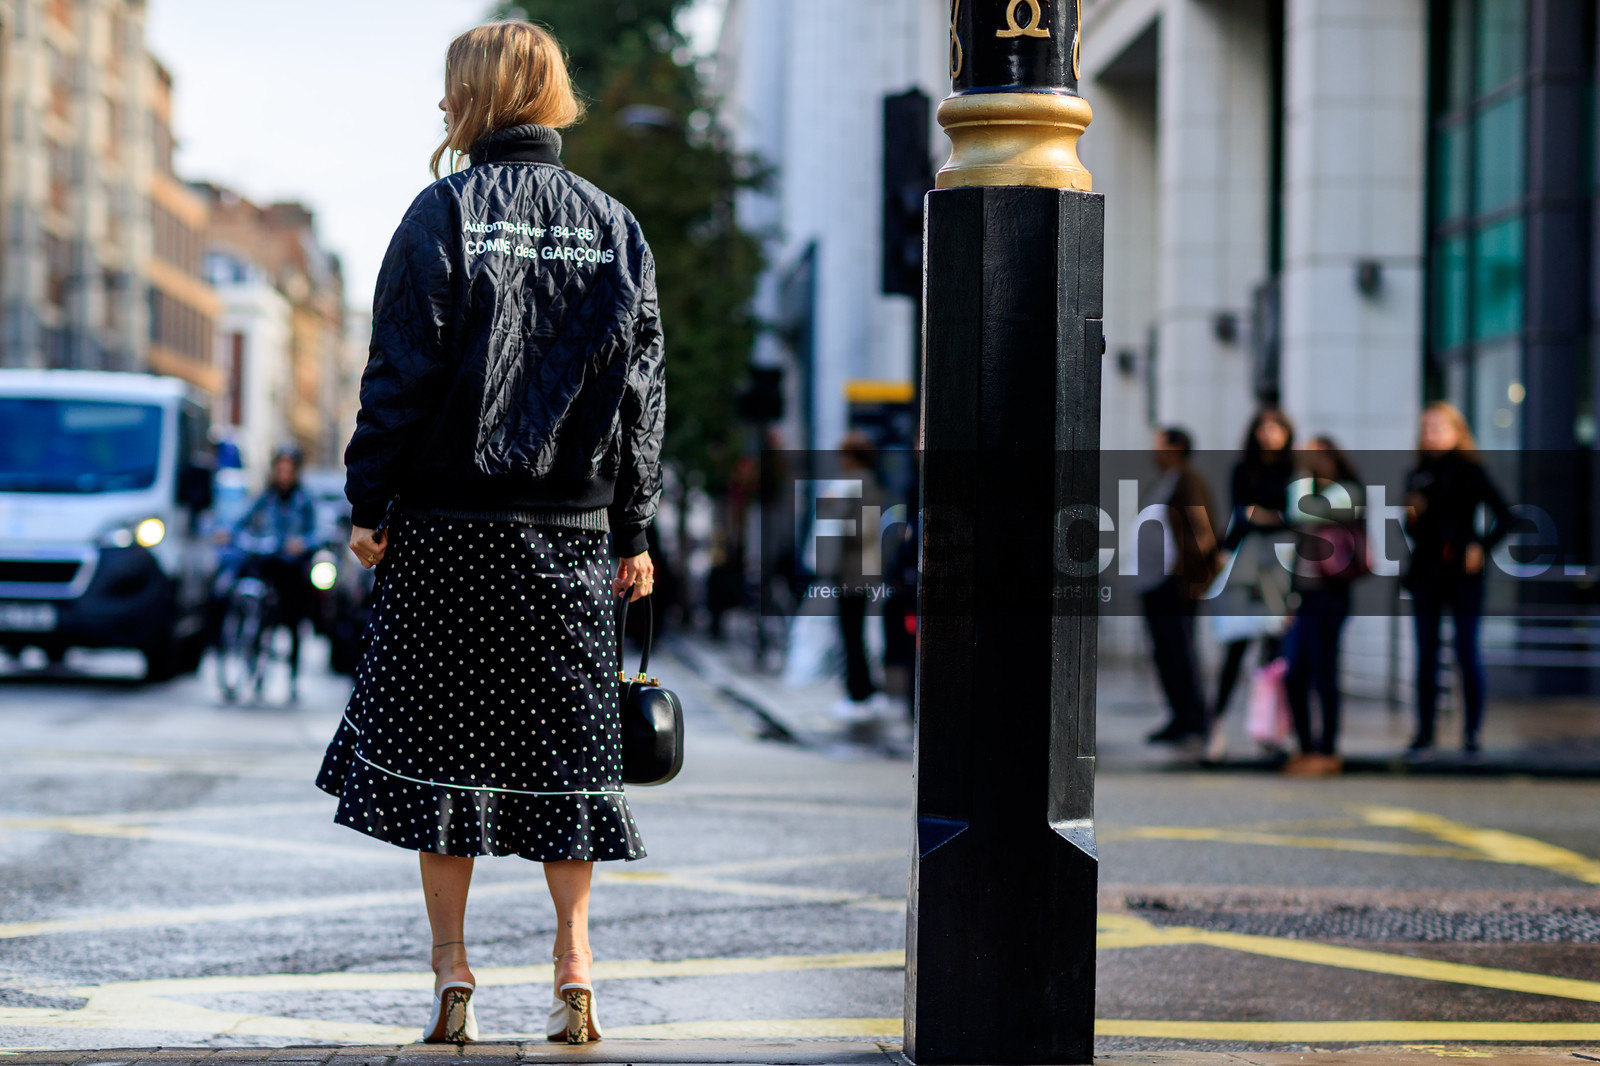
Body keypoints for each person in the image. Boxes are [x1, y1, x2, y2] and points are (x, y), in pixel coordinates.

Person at [315, 20, 665, 1047]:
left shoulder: (441, 216)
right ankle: (574, 966)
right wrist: (633, 527)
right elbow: (644, 393)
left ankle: (453, 973)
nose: (437, 107)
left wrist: (368, 504)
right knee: (568, 758)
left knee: (442, 759)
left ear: (470, 100)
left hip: (449, 535)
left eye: (447, 91)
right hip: (567, 538)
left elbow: (398, 377)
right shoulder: (613, 225)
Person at [1404, 402, 1512, 757]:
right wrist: (1413, 516)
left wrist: (1480, 547)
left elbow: (1506, 517)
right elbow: (1413, 529)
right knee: (1426, 655)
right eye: (1427, 427)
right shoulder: (1417, 473)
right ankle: (1424, 732)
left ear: (1456, 432)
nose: (1431, 433)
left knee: (1467, 651)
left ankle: (1472, 732)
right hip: (1427, 573)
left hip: (1463, 575)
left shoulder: (1470, 471)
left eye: (1439, 426)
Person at [1204, 408, 1295, 760]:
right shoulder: (1243, 469)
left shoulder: (1294, 471)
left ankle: (1269, 732)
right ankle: (1217, 730)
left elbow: (1296, 516)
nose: (1270, 434)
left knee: (1274, 653)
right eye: (1264, 427)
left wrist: (1265, 515)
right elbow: (1240, 515)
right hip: (1247, 563)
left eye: (1277, 428)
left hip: (1282, 564)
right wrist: (1225, 552)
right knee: (1236, 647)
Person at [1281, 437, 1365, 776]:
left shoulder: (1349, 492)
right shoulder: (1312, 489)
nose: (1306, 458)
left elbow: (1299, 511)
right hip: (1305, 594)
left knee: (1324, 669)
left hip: (1331, 594)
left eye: (1313, 453)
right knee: (1295, 672)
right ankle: (1305, 746)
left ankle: (1328, 749)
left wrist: (1301, 474)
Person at [1139, 427, 1221, 744]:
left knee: (1180, 650)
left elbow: (1202, 531)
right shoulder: (1163, 481)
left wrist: (1186, 570)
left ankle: (1193, 718)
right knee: (1164, 652)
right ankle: (1179, 716)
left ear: (1175, 447)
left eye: (1157, 444)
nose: (1152, 451)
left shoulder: (1188, 480)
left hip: (1175, 582)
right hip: (1153, 582)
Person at [217, 444, 317, 698]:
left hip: (290, 566)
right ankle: (249, 637)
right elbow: (243, 520)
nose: (283, 475)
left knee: (294, 619)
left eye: (288, 470)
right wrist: (227, 531)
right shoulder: (265, 497)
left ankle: (293, 679)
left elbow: (318, 531)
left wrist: (302, 543)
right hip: (266, 560)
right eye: (279, 469)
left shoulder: (305, 499)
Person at [821, 431, 892, 726]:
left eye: (844, 455)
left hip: (855, 572)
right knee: (852, 633)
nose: (841, 461)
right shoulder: (859, 484)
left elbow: (862, 530)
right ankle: (860, 691)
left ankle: (859, 694)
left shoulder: (860, 486)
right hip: (851, 571)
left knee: (852, 633)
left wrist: (831, 511)